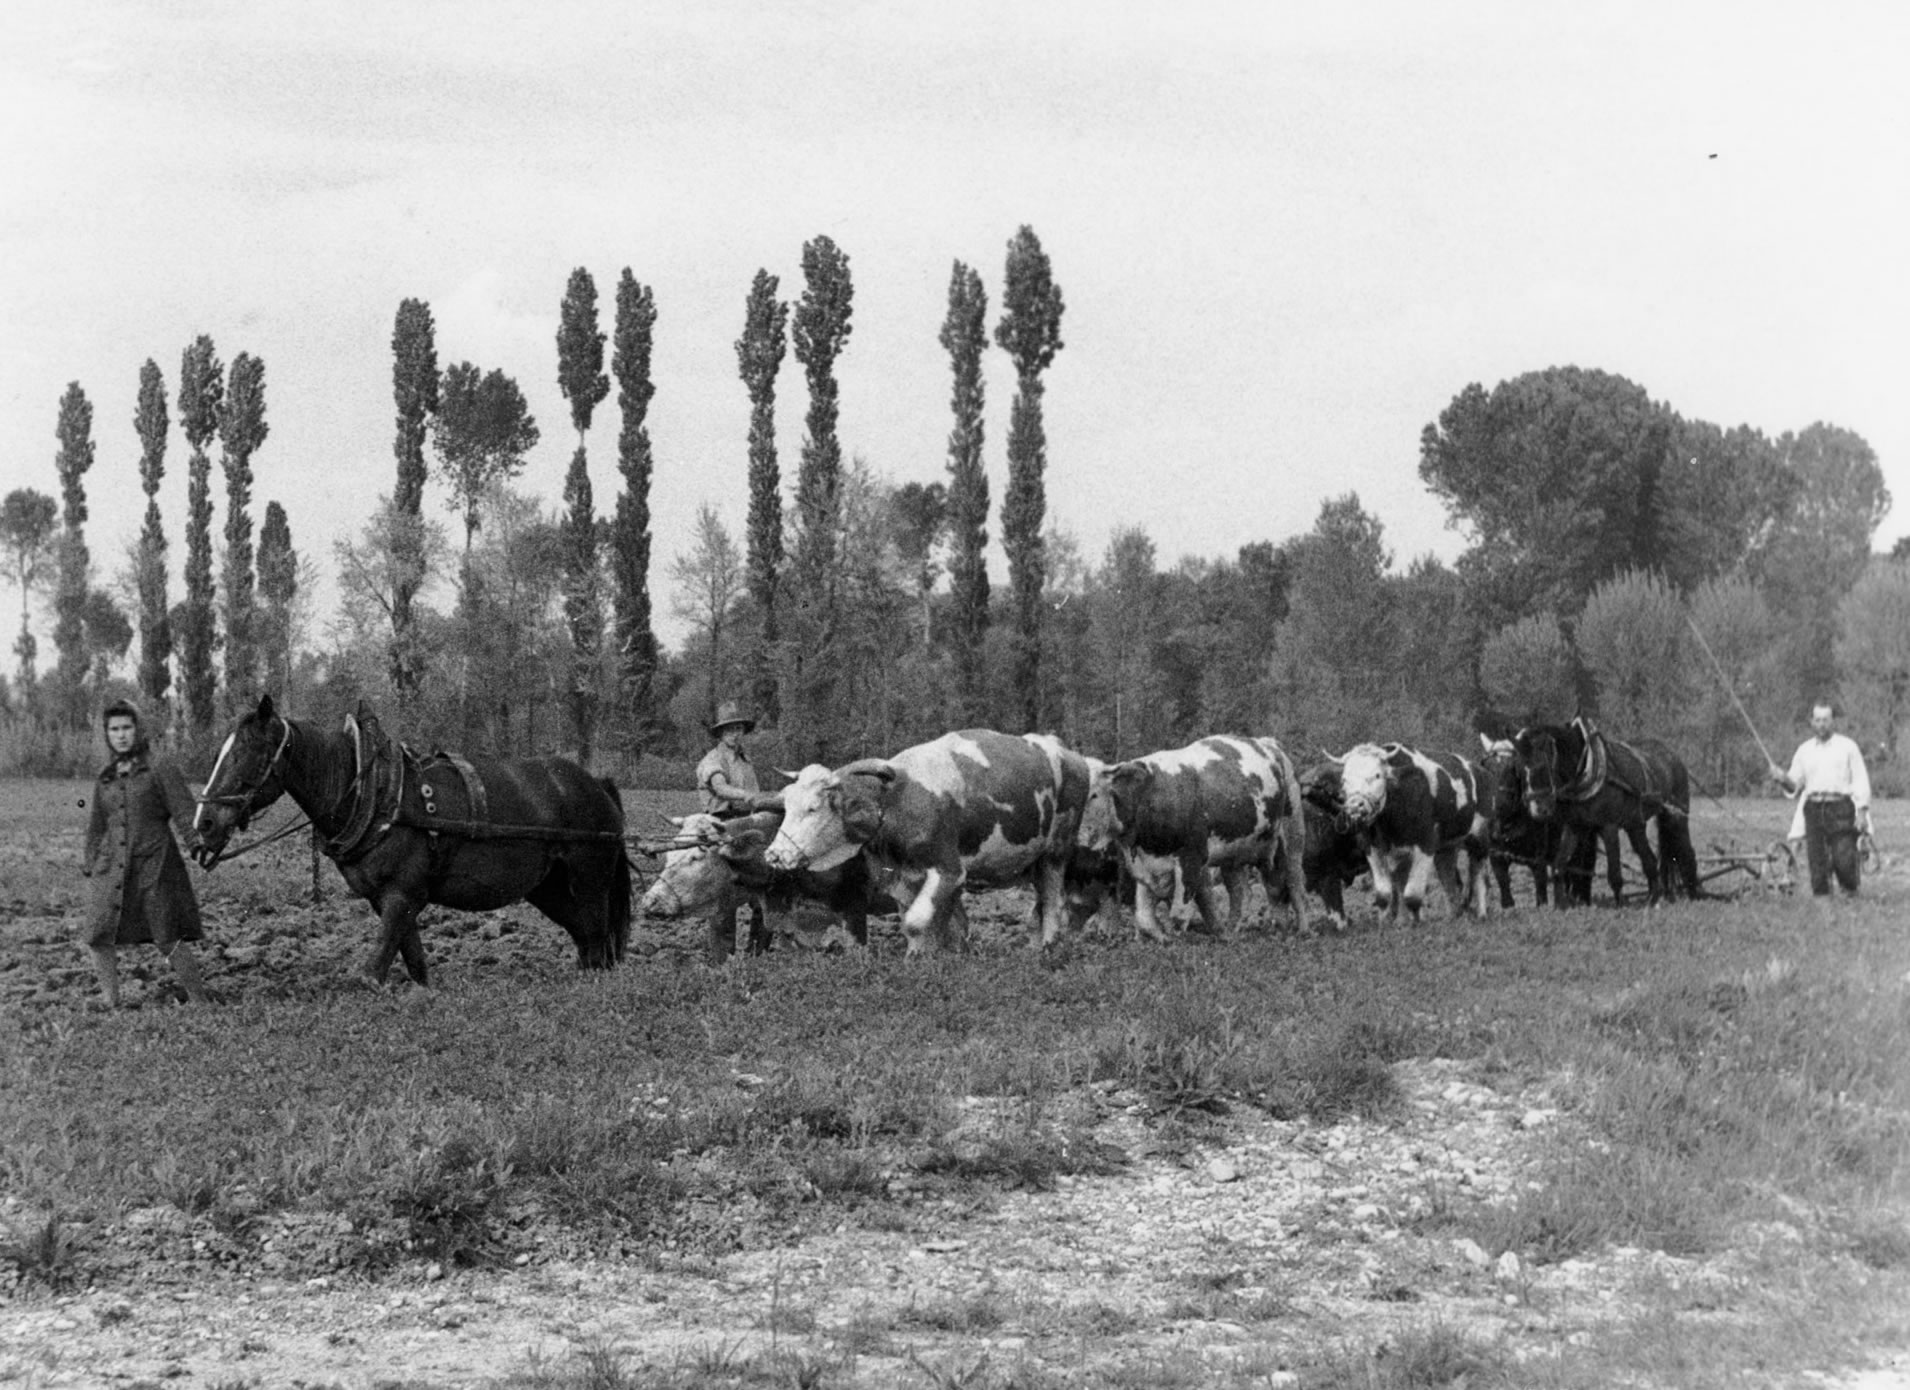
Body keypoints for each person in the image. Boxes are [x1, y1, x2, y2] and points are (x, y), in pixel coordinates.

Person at [82, 699, 213, 1005]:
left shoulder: (160, 767)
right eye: (114, 729)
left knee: (167, 935)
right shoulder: (105, 776)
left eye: (127, 727)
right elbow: (97, 825)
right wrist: (90, 861)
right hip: (112, 866)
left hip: (155, 861)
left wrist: (196, 842)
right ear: (107, 734)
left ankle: (199, 1001)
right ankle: (110, 1000)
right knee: (97, 933)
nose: (121, 735)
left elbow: (183, 810)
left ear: (137, 729)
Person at [1768, 702, 1873, 898]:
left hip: (1841, 808)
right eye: (1818, 720)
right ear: (1812, 722)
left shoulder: (1848, 747)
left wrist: (1862, 812)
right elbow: (1794, 786)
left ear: (1833, 721)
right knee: (1817, 862)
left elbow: (1860, 780)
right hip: (1814, 809)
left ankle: (1850, 894)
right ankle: (1822, 904)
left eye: (1826, 720)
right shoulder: (1804, 750)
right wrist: (1782, 779)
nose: (1822, 724)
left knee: (1844, 858)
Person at [696, 700, 767, 817]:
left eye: (738, 728)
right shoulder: (713, 759)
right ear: (721, 732)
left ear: (743, 731)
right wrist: (745, 795)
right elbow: (720, 788)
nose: (735, 734)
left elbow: (755, 793)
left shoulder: (745, 760)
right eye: (729, 729)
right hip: (719, 820)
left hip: (746, 817)